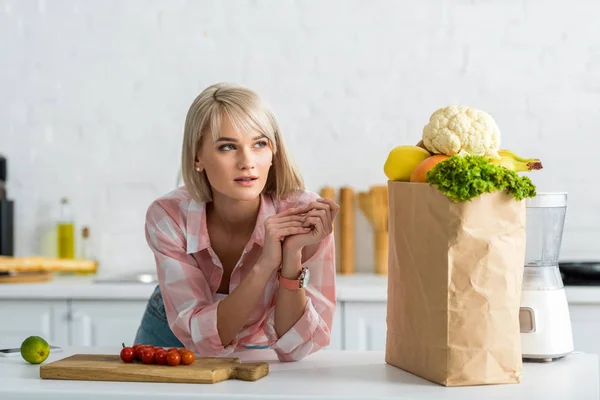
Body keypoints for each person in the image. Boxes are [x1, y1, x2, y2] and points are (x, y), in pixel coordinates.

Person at [134, 82, 339, 362]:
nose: (247, 162)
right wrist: (266, 263)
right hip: (174, 334)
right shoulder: (169, 216)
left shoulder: (305, 215)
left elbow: (296, 348)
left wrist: (290, 255)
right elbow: (201, 340)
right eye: (228, 146)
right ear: (198, 157)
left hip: (260, 344)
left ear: (273, 151)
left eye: (259, 144)